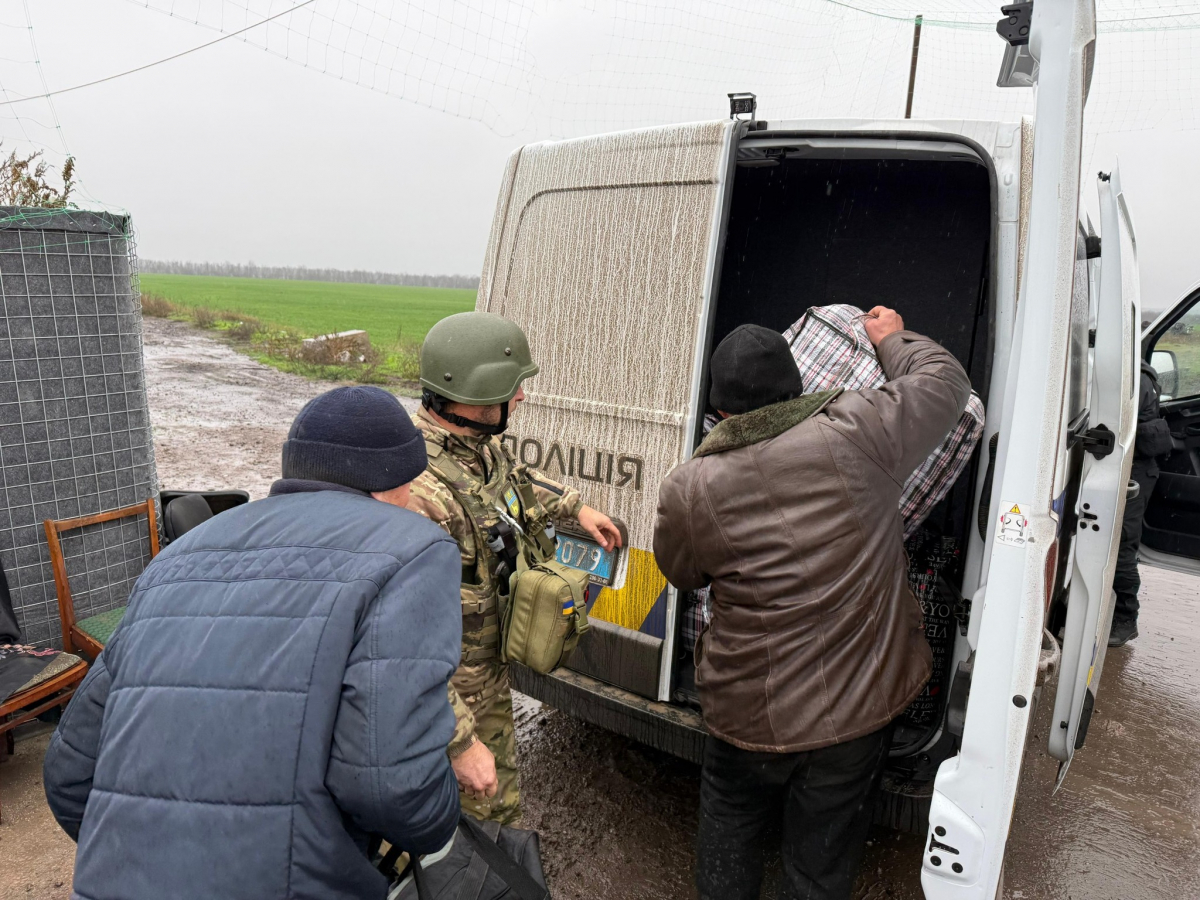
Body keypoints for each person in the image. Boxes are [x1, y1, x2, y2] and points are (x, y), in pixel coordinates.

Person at [42, 386, 463, 900]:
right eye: (409, 484)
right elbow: (390, 783)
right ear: (387, 484)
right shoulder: (412, 549)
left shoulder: (175, 559)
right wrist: (443, 824)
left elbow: (68, 771)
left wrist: (142, 860)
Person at [654, 308, 971, 900]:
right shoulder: (862, 426)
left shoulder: (690, 487)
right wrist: (889, 339)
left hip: (744, 718)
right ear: (800, 388)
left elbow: (681, 574)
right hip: (854, 717)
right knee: (818, 869)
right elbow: (945, 382)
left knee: (730, 839)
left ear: (718, 410)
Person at [407, 311, 621, 825]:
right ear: (473, 392)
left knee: (497, 816)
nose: (520, 397)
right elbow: (402, 645)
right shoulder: (420, 495)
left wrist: (575, 507)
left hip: (487, 680)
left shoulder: (476, 449)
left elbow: (515, 478)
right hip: (448, 702)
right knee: (460, 829)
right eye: (512, 386)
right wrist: (458, 742)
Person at [1110, 361, 1174, 647]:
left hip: (1134, 472)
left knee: (1121, 545)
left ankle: (1125, 619)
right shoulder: (1139, 372)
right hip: (1134, 467)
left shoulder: (1132, 377)